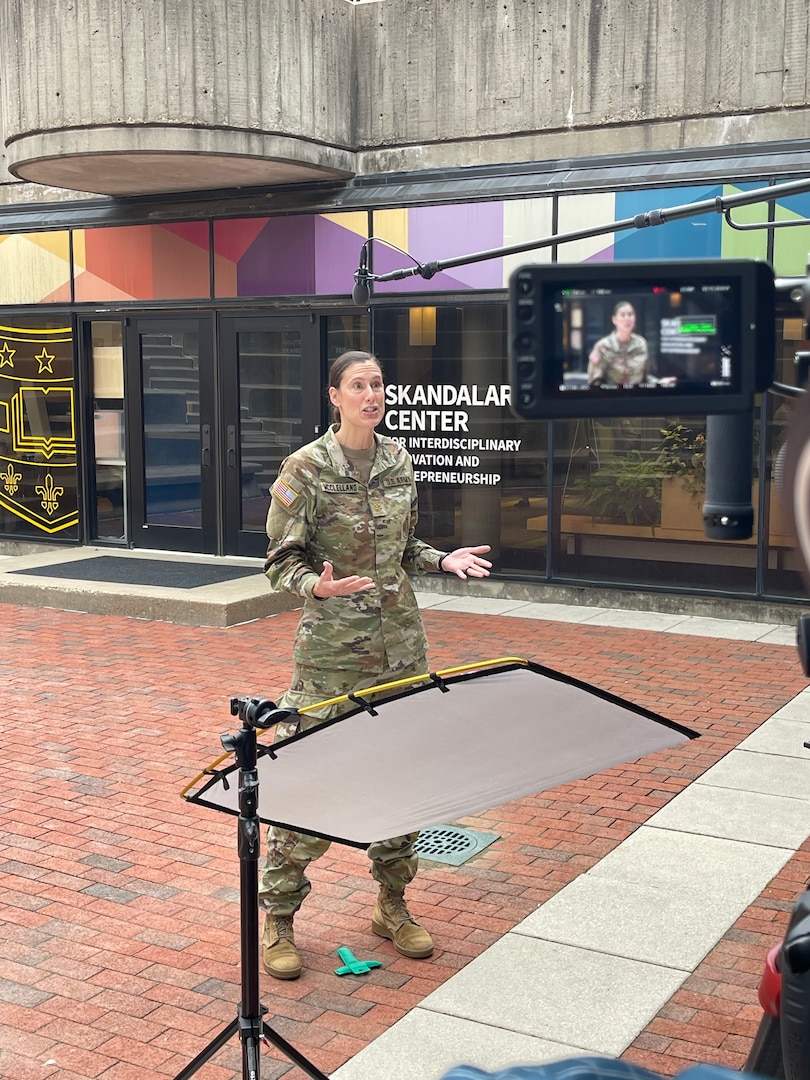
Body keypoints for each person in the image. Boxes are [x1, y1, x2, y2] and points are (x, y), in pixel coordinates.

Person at [257, 349, 492, 980]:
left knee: (403, 781)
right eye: (358, 385)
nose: (372, 395)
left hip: (402, 652)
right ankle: (278, 920)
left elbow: (405, 545)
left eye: (379, 384)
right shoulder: (304, 469)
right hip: (332, 660)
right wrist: (319, 588)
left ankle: (392, 906)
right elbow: (281, 560)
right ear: (333, 395)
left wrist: (441, 560)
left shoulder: (398, 460)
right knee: (311, 779)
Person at [587, 301, 650, 387]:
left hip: (637, 396)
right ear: (614, 320)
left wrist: (660, 383)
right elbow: (594, 381)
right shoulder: (602, 346)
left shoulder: (641, 344)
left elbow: (645, 378)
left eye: (630, 314)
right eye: (623, 315)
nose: (627, 318)